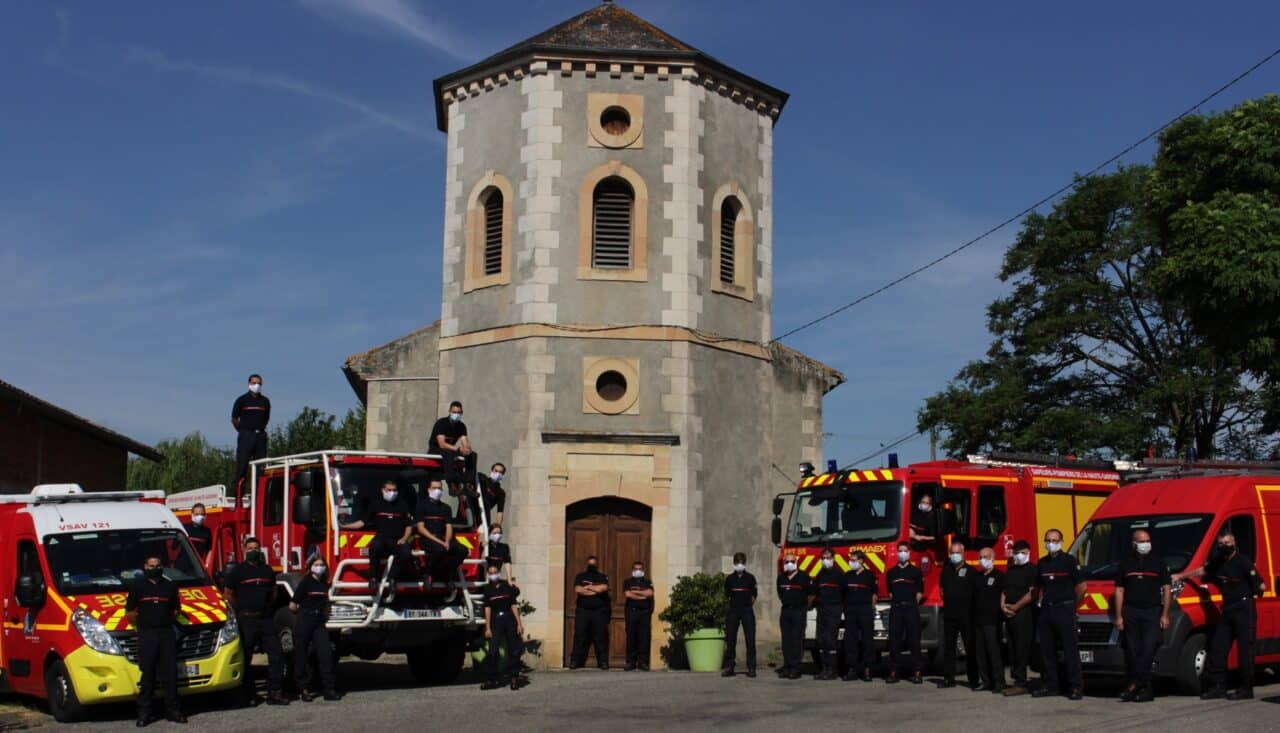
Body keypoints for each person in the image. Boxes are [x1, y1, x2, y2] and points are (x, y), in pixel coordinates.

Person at [1173, 530, 1264, 700]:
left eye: (1227, 544)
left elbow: (1261, 585)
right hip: (1228, 608)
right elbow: (1202, 571)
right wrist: (1181, 576)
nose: (1224, 547)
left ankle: (1246, 688)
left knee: (1245, 650)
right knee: (1218, 648)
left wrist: (1256, 591)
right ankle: (1218, 687)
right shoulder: (1219, 562)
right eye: (1221, 544)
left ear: (1234, 543)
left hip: (1244, 609)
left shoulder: (1244, 563)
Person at [224, 537, 288, 706]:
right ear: (245, 550)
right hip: (247, 620)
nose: (253, 550)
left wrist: (267, 607)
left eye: (256, 548)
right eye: (250, 548)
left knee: (276, 655)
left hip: (265, 619)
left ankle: (275, 693)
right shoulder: (237, 571)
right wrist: (241, 610)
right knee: (246, 657)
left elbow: (274, 591)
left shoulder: (267, 570)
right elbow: (228, 594)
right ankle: (249, 694)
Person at [1114, 529, 1171, 702]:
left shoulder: (1158, 563)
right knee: (1133, 651)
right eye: (1141, 541)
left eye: (1147, 540)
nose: (1145, 544)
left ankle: (1134, 685)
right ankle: (1144, 689)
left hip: (1152, 611)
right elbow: (1119, 590)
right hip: (1131, 611)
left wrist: (1165, 614)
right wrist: (1118, 616)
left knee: (1147, 649)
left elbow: (1167, 589)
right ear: (1134, 543)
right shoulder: (1125, 564)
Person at [126, 555, 184, 726]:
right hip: (147, 634)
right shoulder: (137, 586)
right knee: (148, 674)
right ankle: (144, 713)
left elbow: (176, 610)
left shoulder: (170, 586)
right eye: (151, 565)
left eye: (158, 565)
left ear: (162, 567)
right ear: (145, 567)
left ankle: (173, 711)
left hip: (166, 633)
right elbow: (130, 612)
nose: (155, 568)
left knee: (170, 675)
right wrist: (144, 626)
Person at [1032, 528, 1085, 700]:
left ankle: (1075, 687)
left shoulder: (1069, 561)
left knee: (1070, 650)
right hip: (1047, 609)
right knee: (1047, 650)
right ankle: (1051, 685)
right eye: (1048, 540)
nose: (1051, 543)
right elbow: (1038, 587)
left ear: (1061, 542)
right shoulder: (1042, 563)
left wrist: (1072, 605)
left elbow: (1081, 587)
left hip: (1065, 608)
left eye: (1054, 540)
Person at [341, 480, 414, 600]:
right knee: (375, 547)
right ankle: (373, 578)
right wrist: (344, 526)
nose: (392, 493)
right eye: (389, 490)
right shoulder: (376, 504)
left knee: (406, 552)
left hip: (397, 539)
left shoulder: (402, 505)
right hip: (382, 536)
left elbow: (409, 526)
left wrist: (404, 538)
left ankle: (392, 578)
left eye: (394, 490)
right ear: (382, 490)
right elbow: (362, 523)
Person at [289, 557, 339, 702]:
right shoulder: (305, 582)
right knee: (301, 654)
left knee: (325, 653)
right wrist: (304, 613)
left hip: (319, 622)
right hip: (305, 620)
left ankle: (329, 689)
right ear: (310, 567)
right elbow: (292, 605)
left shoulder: (324, 585)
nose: (319, 567)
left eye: (322, 564)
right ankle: (303, 689)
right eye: (316, 564)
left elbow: (326, 603)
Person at [939, 540, 978, 689]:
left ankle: (973, 680)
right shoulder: (946, 570)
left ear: (963, 554)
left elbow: (976, 594)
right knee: (949, 648)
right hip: (950, 615)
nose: (954, 555)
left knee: (970, 647)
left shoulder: (971, 571)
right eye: (952, 553)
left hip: (967, 616)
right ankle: (949, 679)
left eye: (957, 553)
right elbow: (942, 589)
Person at [481, 560, 525, 691]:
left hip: (509, 619)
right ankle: (492, 679)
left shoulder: (507, 587)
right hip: (496, 620)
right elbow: (487, 609)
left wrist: (519, 623)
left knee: (514, 649)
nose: (493, 575)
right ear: (488, 575)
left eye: (495, 573)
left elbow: (513, 605)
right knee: (493, 651)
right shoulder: (487, 589)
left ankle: (514, 678)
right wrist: (487, 627)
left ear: (499, 573)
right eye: (491, 573)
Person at [415, 480, 468, 588]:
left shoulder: (446, 508)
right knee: (439, 549)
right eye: (434, 488)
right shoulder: (421, 506)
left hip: (443, 538)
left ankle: (447, 573)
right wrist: (440, 542)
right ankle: (428, 574)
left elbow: (449, 526)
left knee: (463, 550)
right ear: (428, 490)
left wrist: (447, 541)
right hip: (427, 538)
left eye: (439, 488)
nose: (437, 491)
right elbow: (421, 528)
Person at [885, 541, 924, 684]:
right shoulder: (891, 573)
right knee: (894, 643)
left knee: (914, 641)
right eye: (900, 550)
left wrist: (912, 605)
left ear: (909, 553)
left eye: (905, 551)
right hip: (896, 609)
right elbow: (890, 593)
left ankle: (917, 672)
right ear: (897, 552)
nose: (902, 553)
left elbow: (919, 593)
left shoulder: (916, 572)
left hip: (911, 609)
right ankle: (894, 672)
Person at [1001, 540, 1036, 696]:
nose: (1019, 555)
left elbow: (1032, 593)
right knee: (1012, 647)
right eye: (1016, 552)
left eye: (1022, 552)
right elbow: (1004, 590)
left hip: (1024, 613)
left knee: (1022, 647)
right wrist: (1003, 606)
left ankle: (1022, 682)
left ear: (1028, 552)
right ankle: (1015, 679)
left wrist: (1016, 607)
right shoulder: (1011, 570)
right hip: (1009, 614)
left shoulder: (1032, 570)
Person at [840, 550, 877, 682]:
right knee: (850, 641)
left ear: (861, 561)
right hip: (850, 611)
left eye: (854, 560)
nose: (851, 562)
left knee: (867, 640)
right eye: (851, 560)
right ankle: (852, 669)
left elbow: (874, 594)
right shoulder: (847, 576)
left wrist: (871, 608)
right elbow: (843, 594)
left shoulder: (869, 575)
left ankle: (867, 669)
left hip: (865, 610)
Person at [972, 547, 1006, 693]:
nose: (982, 560)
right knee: (980, 653)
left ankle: (999, 682)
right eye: (980, 557)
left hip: (993, 621)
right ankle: (985, 681)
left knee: (994, 652)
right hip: (978, 620)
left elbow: (1003, 596)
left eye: (986, 557)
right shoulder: (977, 577)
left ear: (993, 558)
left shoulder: (999, 576)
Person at [569, 556, 610, 669]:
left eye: (593, 564)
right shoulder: (580, 576)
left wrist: (588, 588)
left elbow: (603, 588)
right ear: (587, 564)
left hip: (599, 612)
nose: (592, 566)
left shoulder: (602, 576)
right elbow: (578, 590)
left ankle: (603, 662)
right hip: (583, 611)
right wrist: (595, 590)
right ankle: (575, 661)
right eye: (590, 564)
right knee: (579, 636)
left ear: (597, 565)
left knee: (600, 637)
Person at [776, 551, 812, 680]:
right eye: (787, 562)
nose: (789, 564)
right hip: (786, 611)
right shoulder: (781, 577)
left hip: (799, 611)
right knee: (786, 640)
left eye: (792, 561)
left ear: (796, 562)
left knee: (796, 639)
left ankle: (796, 667)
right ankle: (787, 666)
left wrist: (803, 607)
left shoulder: (803, 577)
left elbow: (811, 595)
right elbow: (780, 593)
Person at [231, 374, 270, 490]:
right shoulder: (242, 400)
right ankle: (238, 496)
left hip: (260, 437)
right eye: (254, 383)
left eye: (259, 383)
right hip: (246, 435)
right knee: (242, 466)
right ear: (249, 384)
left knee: (261, 468)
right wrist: (243, 430)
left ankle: (258, 495)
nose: (256, 385)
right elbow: (234, 418)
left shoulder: (265, 401)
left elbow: (266, 418)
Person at [722, 552, 758, 678]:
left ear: (745, 563)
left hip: (747, 610)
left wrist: (748, 605)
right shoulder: (729, 579)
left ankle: (751, 667)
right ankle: (729, 666)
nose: (739, 565)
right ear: (734, 563)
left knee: (750, 639)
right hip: (733, 610)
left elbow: (754, 596)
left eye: (741, 562)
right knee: (730, 639)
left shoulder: (750, 578)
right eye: (737, 562)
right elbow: (727, 596)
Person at [813, 548, 844, 680]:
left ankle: (832, 670)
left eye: (828, 558)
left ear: (833, 558)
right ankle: (824, 668)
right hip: (822, 609)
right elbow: (815, 591)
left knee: (830, 639)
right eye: (823, 558)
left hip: (834, 609)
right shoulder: (820, 574)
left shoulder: (838, 574)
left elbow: (844, 592)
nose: (825, 560)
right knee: (821, 640)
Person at [428, 401, 474, 490]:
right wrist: (458, 449)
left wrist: (467, 450)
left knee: (472, 455)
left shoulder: (461, 426)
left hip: (450, 450)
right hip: (436, 449)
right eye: (454, 412)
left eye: (459, 413)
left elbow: (465, 442)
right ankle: (451, 483)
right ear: (449, 411)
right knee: (449, 453)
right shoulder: (441, 423)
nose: (457, 414)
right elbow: (442, 444)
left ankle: (469, 482)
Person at [623, 560, 655, 671]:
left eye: (640, 569)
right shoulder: (628, 582)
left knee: (644, 638)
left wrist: (635, 593)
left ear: (643, 570)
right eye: (636, 569)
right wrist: (642, 595)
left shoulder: (647, 582)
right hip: (632, 612)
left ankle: (643, 662)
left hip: (644, 613)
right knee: (631, 637)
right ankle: (630, 662)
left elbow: (650, 593)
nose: (638, 571)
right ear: (632, 570)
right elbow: (627, 594)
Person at [184, 503, 212, 568]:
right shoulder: (185, 528)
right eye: (197, 514)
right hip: (183, 566)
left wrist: (207, 565)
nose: (200, 517)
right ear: (192, 515)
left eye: (202, 514)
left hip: (198, 568)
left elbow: (209, 549)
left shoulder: (207, 531)